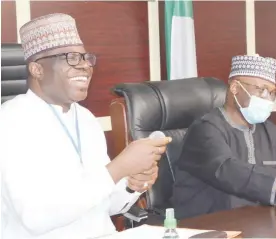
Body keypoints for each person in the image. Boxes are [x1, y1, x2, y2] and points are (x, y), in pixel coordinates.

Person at [0, 13, 171, 239]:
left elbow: (108, 207)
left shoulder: (86, 118)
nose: (84, 67)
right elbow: (36, 218)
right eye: (71, 58)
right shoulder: (11, 122)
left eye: (85, 58)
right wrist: (118, 169)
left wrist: (132, 184)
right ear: (37, 69)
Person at [172, 54, 276, 219]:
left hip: (258, 224)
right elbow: (229, 172)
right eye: (261, 90)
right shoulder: (205, 130)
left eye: (272, 93)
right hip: (207, 227)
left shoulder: (271, 132)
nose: (267, 99)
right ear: (235, 88)